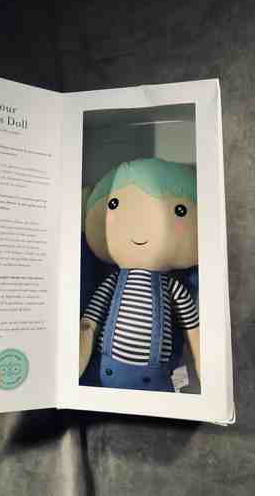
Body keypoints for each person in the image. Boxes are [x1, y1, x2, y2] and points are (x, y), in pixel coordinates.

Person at [79, 158, 200, 392]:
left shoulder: (173, 288)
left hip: (154, 378)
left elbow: (193, 331)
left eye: (180, 210)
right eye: (113, 204)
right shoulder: (112, 283)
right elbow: (90, 322)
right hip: (104, 370)